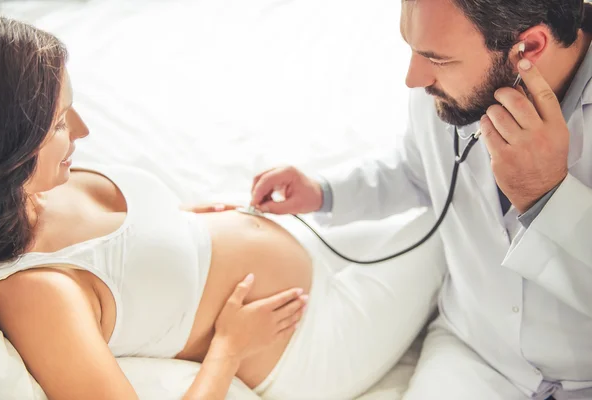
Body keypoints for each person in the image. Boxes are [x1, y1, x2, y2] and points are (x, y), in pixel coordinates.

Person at [0, 16, 446, 400]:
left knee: (446, 194)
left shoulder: (36, 188)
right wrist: (229, 347)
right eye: (57, 125)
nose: (82, 131)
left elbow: (124, 262)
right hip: (307, 339)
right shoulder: (34, 294)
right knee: (456, 225)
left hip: (309, 242)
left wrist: (181, 221)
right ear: (7, 151)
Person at [250, 0, 592, 399]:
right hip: (477, 352)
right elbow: (418, 169)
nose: (413, 78)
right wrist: (324, 191)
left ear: (529, 49)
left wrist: (547, 195)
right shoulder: (447, 92)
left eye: (436, 58)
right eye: (412, 49)